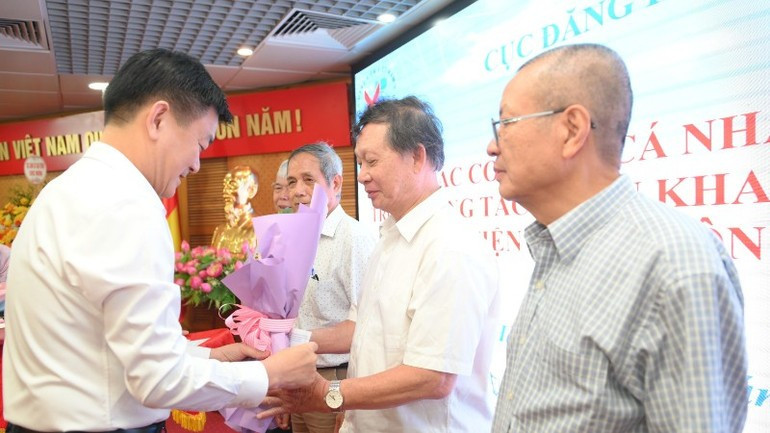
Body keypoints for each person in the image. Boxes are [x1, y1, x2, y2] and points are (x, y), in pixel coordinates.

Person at [2, 48, 318, 433]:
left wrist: (210, 357)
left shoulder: (62, 191)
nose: (197, 164)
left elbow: (103, 344)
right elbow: (157, 380)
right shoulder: (127, 204)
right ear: (158, 119)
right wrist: (268, 375)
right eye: (200, 144)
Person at [487, 43, 747, 433]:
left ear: (572, 130)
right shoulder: (555, 248)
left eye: (507, 124)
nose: (493, 145)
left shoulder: (675, 264)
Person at [260, 96, 500, 433]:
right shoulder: (390, 236)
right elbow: (365, 333)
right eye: (359, 163)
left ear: (417, 157)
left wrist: (332, 394)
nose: (362, 176)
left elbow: (432, 377)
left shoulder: (450, 247)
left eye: (372, 161)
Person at [285, 143, 376, 433]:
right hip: (296, 375)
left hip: (336, 378)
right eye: (291, 181)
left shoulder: (355, 238)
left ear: (335, 182)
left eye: (308, 180)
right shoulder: (294, 236)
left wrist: (292, 339)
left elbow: (364, 327)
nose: (297, 190)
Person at [211, 165, 259, 255]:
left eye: (232, 185)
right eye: (225, 186)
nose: (225, 191)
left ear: (251, 190)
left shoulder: (259, 229)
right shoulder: (219, 230)